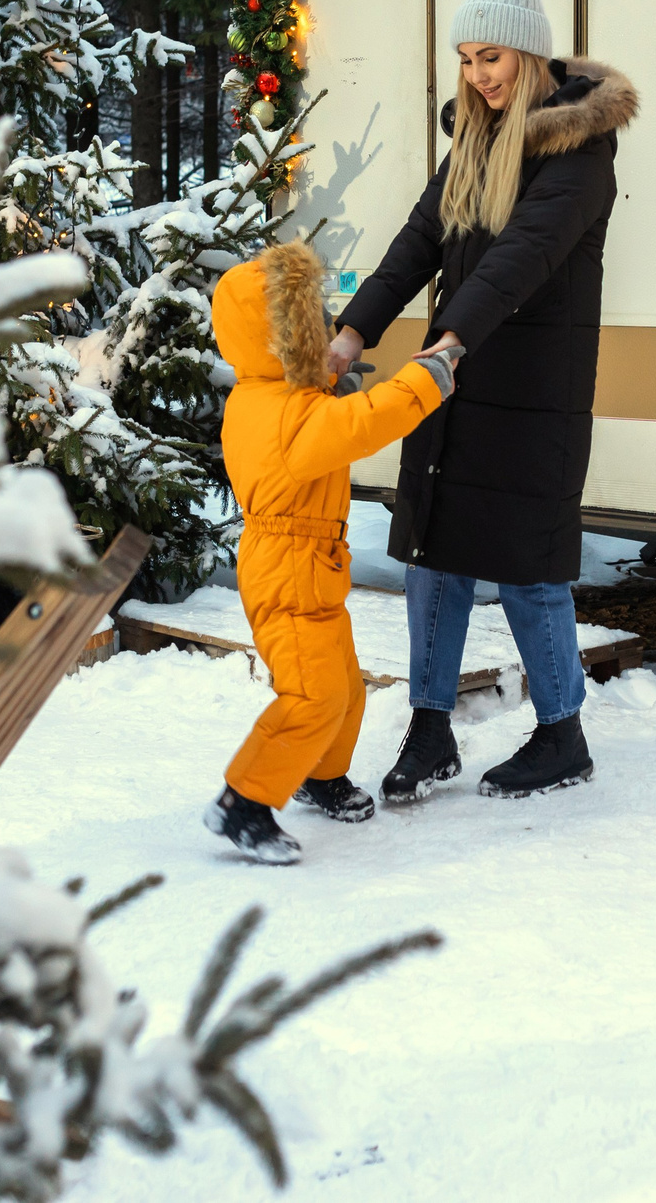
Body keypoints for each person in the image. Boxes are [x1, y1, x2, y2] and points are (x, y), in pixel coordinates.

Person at [329, 0, 639, 802]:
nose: (478, 75)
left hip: (530, 385)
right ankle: (430, 729)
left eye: (491, 58)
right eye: (467, 60)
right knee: (434, 551)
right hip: (457, 376)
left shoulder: (580, 149)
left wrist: (450, 341)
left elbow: (523, 256)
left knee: (530, 562)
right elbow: (417, 240)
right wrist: (351, 335)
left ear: (529, 55)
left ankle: (560, 734)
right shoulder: (474, 139)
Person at [202, 240, 460, 865]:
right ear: (280, 341)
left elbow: (304, 399)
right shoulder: (285, 416)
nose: (322, 332)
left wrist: (328, 375)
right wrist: (423, 382)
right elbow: (361, 423)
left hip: (309, 569)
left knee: (344, 689)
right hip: (287, 571)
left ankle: (319, 774)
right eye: (309, 328)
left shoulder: (267, 394)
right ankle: (245, 801)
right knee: (312, 696)